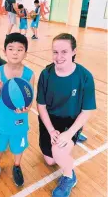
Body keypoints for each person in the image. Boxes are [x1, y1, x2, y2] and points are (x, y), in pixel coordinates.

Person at [36, 33, 96, 197]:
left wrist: (69, 133)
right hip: (50, 119)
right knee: (50, 161)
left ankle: (70, 177)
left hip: (71, 120)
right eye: (55, 52)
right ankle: (70, 140)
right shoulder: (46, 74)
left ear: (74, 51)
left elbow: (86, 110)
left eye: (64, 52)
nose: (59, 56)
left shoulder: (85, 77)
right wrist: (50, 130)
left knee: (59, 152)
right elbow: (40, 106)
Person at [0, 33, 34, 187]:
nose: (15, 52)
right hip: (1, 119)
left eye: (20, 49)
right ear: (5, 51)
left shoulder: (29, 74)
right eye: (11, 48)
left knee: (18, 145)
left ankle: (17, 166)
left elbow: (30, 99)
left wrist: (26, 110)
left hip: (19, 121)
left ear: (25, 53)